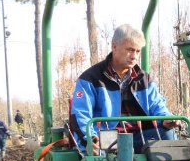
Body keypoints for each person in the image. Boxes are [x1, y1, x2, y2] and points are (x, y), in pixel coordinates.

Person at [70, 24, 180, 153]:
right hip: (107, 139)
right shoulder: (91, 79)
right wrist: (90, 139)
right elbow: (80, 115)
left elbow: (157, 105)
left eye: (138, 51)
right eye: (130, 50)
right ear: (114, 47)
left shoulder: (143, 79)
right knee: (100, 149)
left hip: (139, 136)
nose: (134, 56)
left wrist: (167, 119)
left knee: (169, 135)